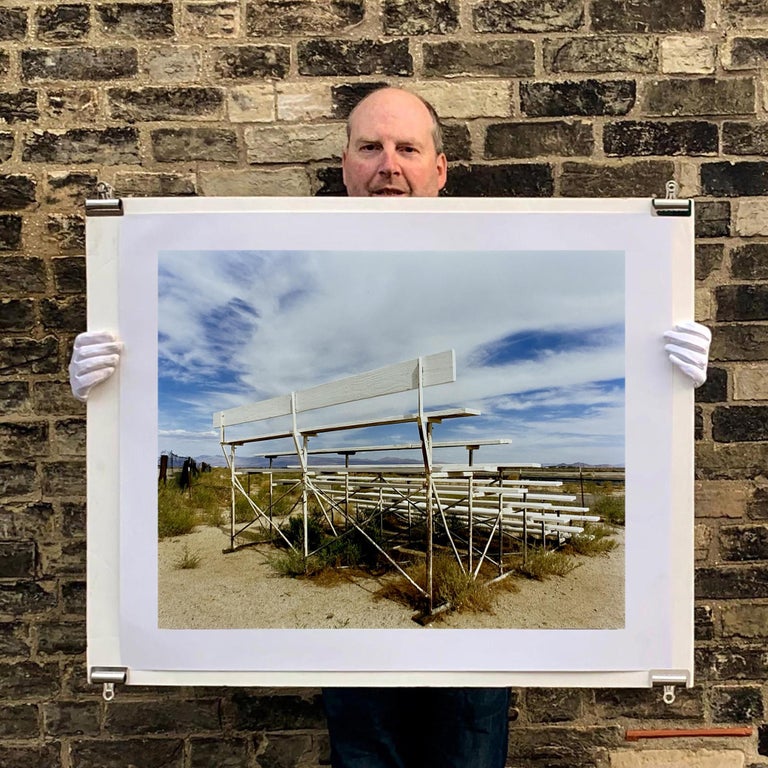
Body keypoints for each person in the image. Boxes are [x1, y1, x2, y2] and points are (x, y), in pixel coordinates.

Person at [69, 87, 712, 767]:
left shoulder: (380, 281)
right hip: (373, 624)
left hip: (430, 606)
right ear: (344, 163)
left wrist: (664, 378)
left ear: (440, 168)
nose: (388, 164)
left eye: (407, 148)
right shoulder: (424, 281)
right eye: (371, 147)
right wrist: (112, 393)